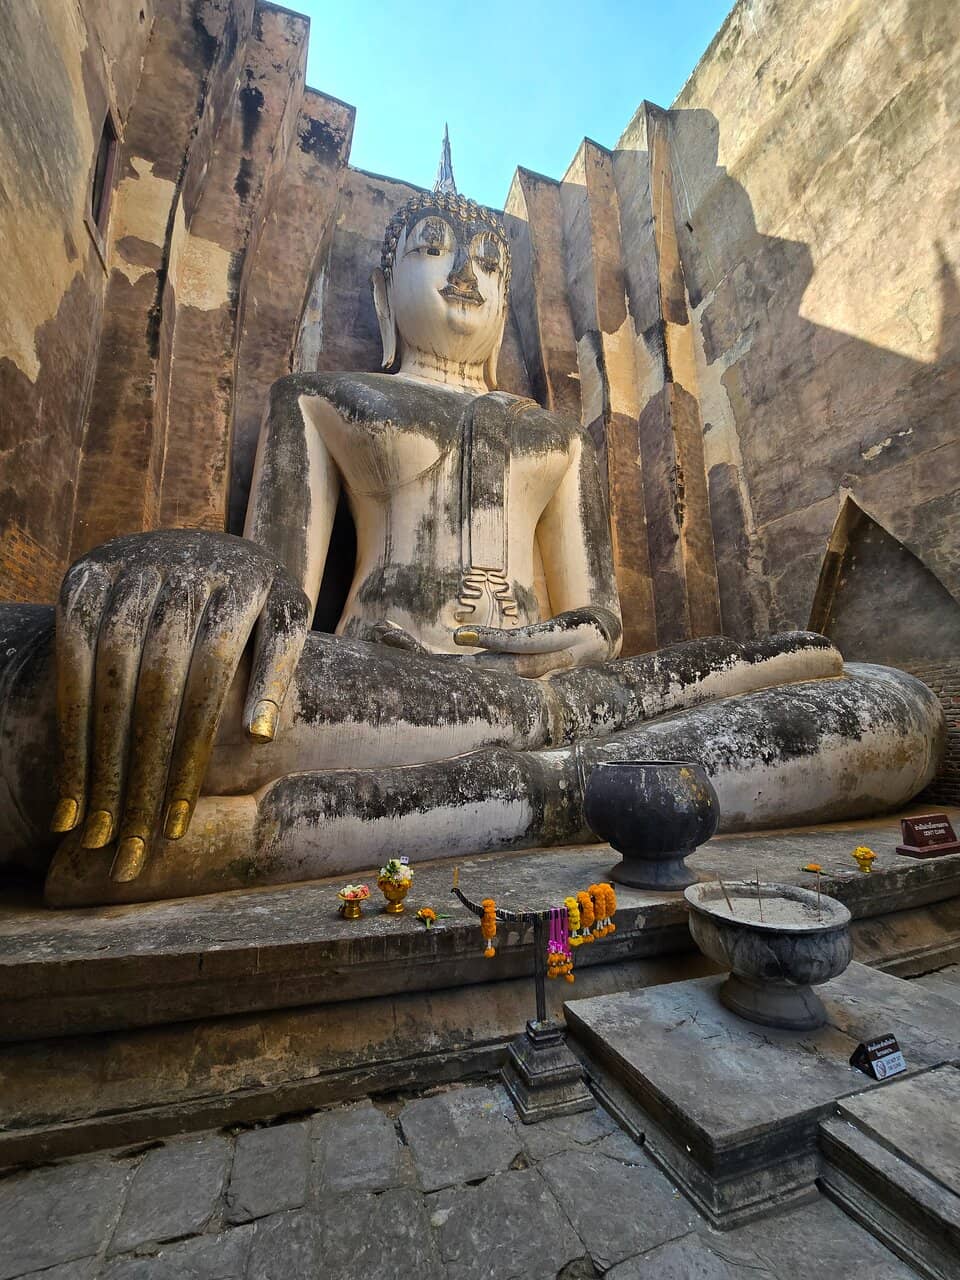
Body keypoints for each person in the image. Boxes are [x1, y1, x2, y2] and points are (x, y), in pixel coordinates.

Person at [0, 174, 942, 906]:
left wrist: (555, 642)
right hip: (383, 679)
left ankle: (497, 788)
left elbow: (601, 620)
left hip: (570, 694)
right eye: (436, 249)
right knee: (142, 690)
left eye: (490, 265)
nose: (465, 276)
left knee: (877, 700)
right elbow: (274, 604)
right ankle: (584, 789)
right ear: (382, 282)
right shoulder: (325, 399)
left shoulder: (555, 435)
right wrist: (211, 569)